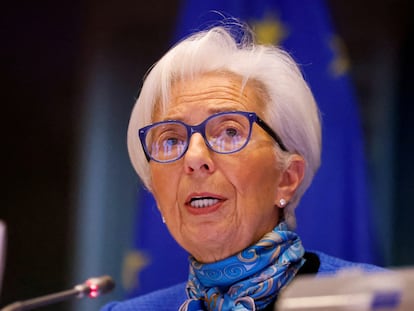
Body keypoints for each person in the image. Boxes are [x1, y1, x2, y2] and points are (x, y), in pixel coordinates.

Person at [101, 23, 381, 311]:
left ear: (287, 178)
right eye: (171, 140)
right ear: (156, 193)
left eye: (229, 132)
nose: (194, 158)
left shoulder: (378, 302)